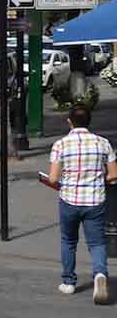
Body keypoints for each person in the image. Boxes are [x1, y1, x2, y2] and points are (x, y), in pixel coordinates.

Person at [47, 105, 117, 303]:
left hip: (69, 200)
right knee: (97, 242)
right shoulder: (103, 143)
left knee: (69, 241)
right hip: (95, 200)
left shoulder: (61, 145)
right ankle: (100, 274)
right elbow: (114, 175)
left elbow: (53, 178)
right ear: (89, 122)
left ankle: (69, 282)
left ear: (70, 122)